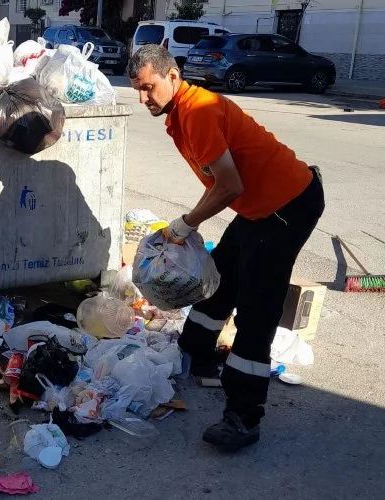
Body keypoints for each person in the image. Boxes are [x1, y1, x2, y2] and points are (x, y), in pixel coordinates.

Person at [128, 45, 325, 450]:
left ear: (173, 77)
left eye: (149, 88)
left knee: (257, 306)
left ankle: (244, 416)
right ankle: (195, 352)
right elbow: (228, 183)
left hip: (286, 204)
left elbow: (230, 186)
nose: (143, 99)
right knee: (220, 276)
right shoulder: (181, 113)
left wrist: (186, 223)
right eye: (137, 90)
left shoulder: (198, 112)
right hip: (258, 208)